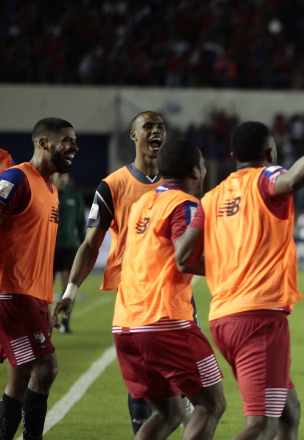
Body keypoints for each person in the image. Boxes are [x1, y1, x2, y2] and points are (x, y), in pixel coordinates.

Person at [174, 109, 304, 440]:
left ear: (233, 156)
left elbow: (183, 257)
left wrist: (227, 267)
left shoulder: (212, 197)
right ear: (270, 153)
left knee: (288, 411)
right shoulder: (266, 178)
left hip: (223, 318)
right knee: (261, 425)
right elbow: (293, 179)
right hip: (259, 319)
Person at [51, 111, 176, 435]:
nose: (155, 131)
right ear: (133, 136)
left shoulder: (177, 181)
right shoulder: (113, 185)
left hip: (175, 297)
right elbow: (91, 245)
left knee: (186, 387)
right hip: (133, 298)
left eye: (160, 127)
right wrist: (70, 292)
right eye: (148, 126)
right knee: (141, 384)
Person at [112, 138, 225, 440]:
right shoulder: (184, 204)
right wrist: (232, 267)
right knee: (211, 404)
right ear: (195, 172)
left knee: (169, 413)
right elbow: (185, 258)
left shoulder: (142, 204)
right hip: (165, 323)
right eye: (202, 167)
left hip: (126, 325)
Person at [0, 117, 78, 440]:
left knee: (19, 378)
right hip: (12, 295)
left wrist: (45, 301)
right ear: (43, 143)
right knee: (46, 369)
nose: (74, 148)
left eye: (75, 142)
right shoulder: (16, 178)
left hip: (31, 297)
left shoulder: (50, 189)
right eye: (66, 141)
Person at [50, 173, 86, 334]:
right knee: (44, 289)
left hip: (69, 247)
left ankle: (65, 323)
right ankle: (43, 324)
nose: (63, 178)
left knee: (67, 287)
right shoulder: (48, 192)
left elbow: (81, 223)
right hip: (49, 248)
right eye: (59, 174)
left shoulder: (74, 196)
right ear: (53, 176)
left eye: (65, 174)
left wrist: (85, 246)